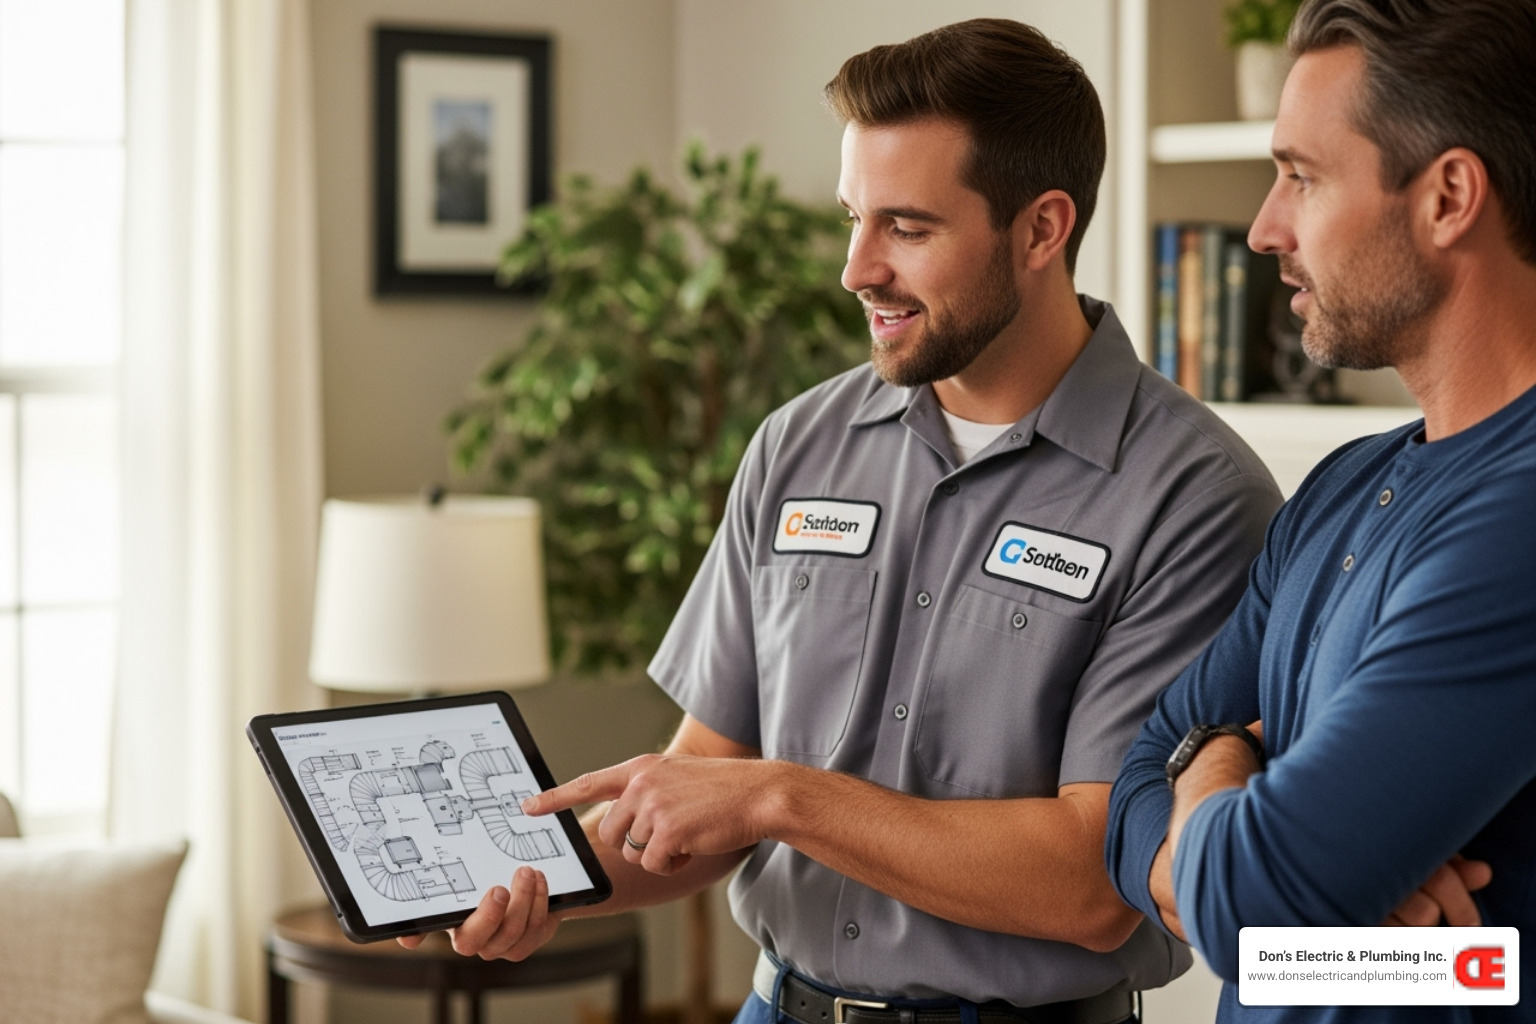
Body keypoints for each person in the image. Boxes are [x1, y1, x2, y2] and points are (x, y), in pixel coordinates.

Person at [410, 19, 1281, 1022]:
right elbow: (713, 779)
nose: (856, 269)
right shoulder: (797, 445)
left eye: (907, 228)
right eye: (851, 219)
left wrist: (784, 798)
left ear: (1042, 229)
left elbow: (1090, 882)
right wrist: (547, 880)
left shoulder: (1195, 498)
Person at [1104, 1, 1536, 1022]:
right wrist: (1313, 922)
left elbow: (1248, 900)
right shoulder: (1341, 488)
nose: (1264, 228)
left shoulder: (1520, 518)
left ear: (1448, 197)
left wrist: (1213, 772)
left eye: (1301, 176)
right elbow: (1126, 800)